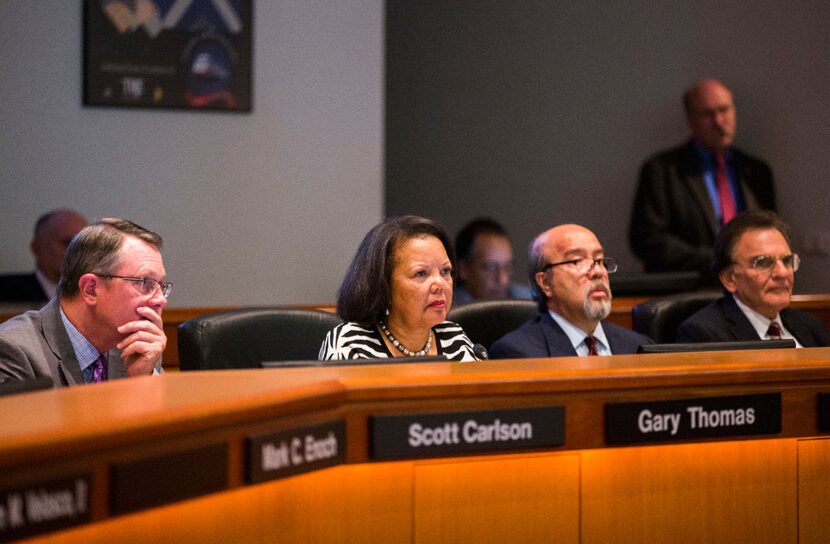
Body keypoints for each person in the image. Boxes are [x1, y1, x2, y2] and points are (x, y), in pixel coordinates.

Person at [629, 79, 776, 284]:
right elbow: (648, 240)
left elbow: (770, 230)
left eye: (724, 110)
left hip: (750, 287)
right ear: (690, 119)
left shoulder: (756, 171)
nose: (718, 121)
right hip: (688, 289)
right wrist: (719, 260)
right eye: (708, 114)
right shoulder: (662, 170)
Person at [0, 218, 171, 386]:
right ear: (90, 289)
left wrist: (141, 382)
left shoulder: (139, 344)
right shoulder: (14, 350)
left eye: (161, 285)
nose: (160, 300)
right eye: (144, 283)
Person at [319, 216, 479, 361]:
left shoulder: (454, 338)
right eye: (421, 273)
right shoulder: (351, 344)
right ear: (384, 285)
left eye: (445, 271)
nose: (440, 285)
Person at [490, 224, 652, 358]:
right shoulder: (519, 353)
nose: (598, 272)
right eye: (577, 261)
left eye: (600, 260)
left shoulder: (638, 347)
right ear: (545, 282)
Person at [677, 211, 830, 346]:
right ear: (730, 278)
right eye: (763, 263)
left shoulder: (811, 327)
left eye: (787, 261)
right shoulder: (705, 334)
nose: (782, 273)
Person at [0, 209, 88, 302]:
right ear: (37, 248)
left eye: (83, 245)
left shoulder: (97, 293)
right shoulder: (5, 291)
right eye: (66, 243)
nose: (77, 252)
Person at [453, 217, 532, 305]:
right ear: (463, 269)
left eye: (507, 267)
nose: (503, 280)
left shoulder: (530, 303)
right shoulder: (445, 310)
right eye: (491, 268)